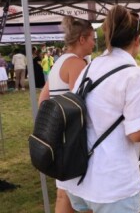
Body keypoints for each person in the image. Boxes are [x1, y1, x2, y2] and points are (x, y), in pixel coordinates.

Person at [62, 5, 140, 212]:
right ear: (137, 39)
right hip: (112, 183)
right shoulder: (135, 75)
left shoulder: (90, 66)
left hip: (79, 177)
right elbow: (136, 134)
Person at [38, 15, 95, 213]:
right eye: (92, 38)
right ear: (82, 39)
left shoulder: (59, 62)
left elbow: (42, 101)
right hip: (73, 139)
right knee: (85, 197)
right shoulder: (77, 64)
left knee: (63, 194)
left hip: (59, 138)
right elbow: (79, 105)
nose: (94, 43)